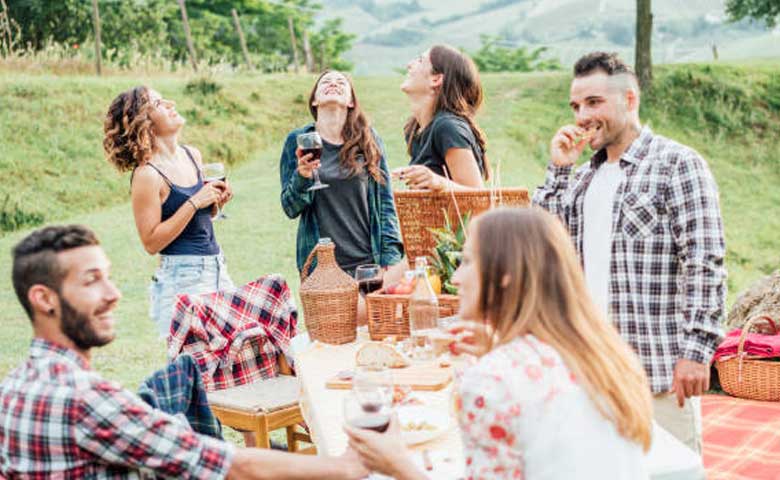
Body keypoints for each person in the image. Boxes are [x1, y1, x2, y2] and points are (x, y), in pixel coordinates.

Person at [0, 224, 367, 479]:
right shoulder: (82, 398)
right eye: (92, 280)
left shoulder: (13, 388)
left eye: (109, 276)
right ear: (44, 299)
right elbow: (227, 466)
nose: (114, 294)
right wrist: (348, 467)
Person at [346, 207, 653, 479]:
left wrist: (398, 465)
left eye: (466, 261)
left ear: (505, 274)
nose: (455, 279)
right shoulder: (603, 354)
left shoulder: (490, 380)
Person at [533, 51, 726, 452]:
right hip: (590, 370)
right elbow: (543, 245)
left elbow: (704, 261)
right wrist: (559, 169)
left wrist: (697, 351)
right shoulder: (582, 177)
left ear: (630, 99)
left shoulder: (678, 164)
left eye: (594, 102)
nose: (581, 115)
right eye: (575, 105)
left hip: (657, 373)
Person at [103, 86, 234, 338]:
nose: (171, 103)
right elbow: (151, 242)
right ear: (146, 124)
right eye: (160, 103)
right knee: (195, 368)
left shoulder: (192, 154)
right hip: (182, 278)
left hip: (217, 266)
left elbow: (197, 221)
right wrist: (194, 202)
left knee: (229, 361)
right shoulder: (147, 175)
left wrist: (216, 203)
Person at [279, 70, 403, 278]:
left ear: (351, 102)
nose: (333, 83)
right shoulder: (298, 140)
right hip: (321, 268)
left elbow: (385, 203)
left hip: (368, 263)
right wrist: (303, 176)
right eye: (326, 81)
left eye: (341, 82)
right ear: (315, 101)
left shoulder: (368, 139)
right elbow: (290, 208)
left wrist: (390, 257)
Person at [395, 44, 490, 191]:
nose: (409, 65)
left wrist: (438, 182)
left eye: (420, 60)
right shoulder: (415, 130)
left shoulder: (447, 127)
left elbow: (480, 200)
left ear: (436, 79)